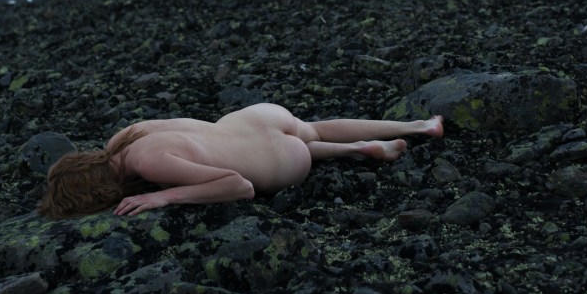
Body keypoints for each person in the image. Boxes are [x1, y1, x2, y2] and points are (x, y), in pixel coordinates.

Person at [38, 103, 444, 219]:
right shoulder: (123, 138)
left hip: (280, 163)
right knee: (315, 129)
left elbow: (239, 185)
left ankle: (362, 148)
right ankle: (414, 127)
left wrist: (165, 196)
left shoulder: (149, 164)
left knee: (298, 146)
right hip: (253, 119)